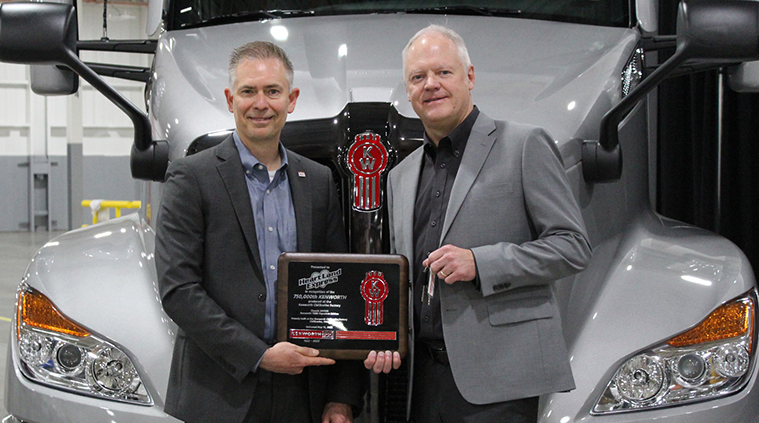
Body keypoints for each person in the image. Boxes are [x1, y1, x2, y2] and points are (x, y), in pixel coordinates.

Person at [365, 25, 592, 422]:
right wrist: (386, 335)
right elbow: (401, 277)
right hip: (419, 380)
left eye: (443, 72)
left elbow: (571, 246)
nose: (430, 85)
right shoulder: (399, 176)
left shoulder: (524, 145)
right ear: (407, 92)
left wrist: (481, 262)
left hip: (500, 377)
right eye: (418, 77)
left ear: (469, 77)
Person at [156, 41, 363, 423]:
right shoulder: (191, 177)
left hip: (303, 392)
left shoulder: (317, 181)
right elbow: (178, 290)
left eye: (272, 91)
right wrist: (259, 355)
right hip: (218, 394)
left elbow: (342, 290)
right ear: (230, 98)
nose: (260, 103)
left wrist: (341, 396)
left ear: (292, 98)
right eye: (248, 91)